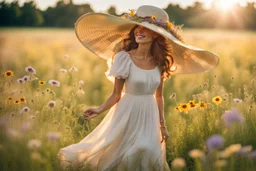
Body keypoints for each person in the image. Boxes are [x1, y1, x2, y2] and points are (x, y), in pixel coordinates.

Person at [57, 5, 219, 171]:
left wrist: (162, 125)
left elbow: (159, 96)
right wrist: (99, 109)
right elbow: (116, 94)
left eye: (145, 29)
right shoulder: (123, 58)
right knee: (125, 155)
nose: (139, 31)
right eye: (138, 28)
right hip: (127, 111)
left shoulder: (159, 62)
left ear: (156, 34)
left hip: (150, 114)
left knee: (148, 150)